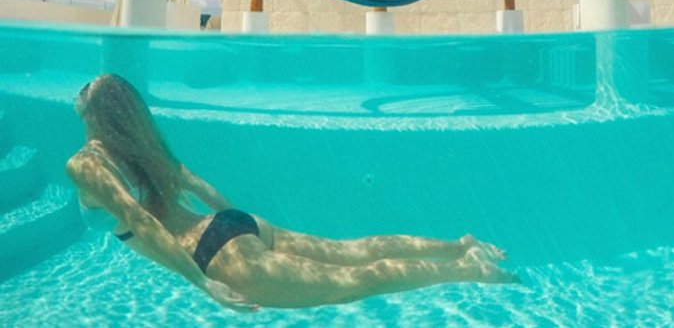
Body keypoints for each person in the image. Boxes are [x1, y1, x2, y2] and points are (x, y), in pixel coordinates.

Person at [66, 74, 517, 312]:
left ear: (91, 115)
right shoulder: (145, 148)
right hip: (230, 226)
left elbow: (142, 222)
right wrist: (240, 226)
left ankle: (469, 269)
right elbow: (202, 188)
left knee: (360, 280)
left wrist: (205, 282)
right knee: (354, 252)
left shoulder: (87, 164)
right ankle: (460, 245)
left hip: (214, 255)